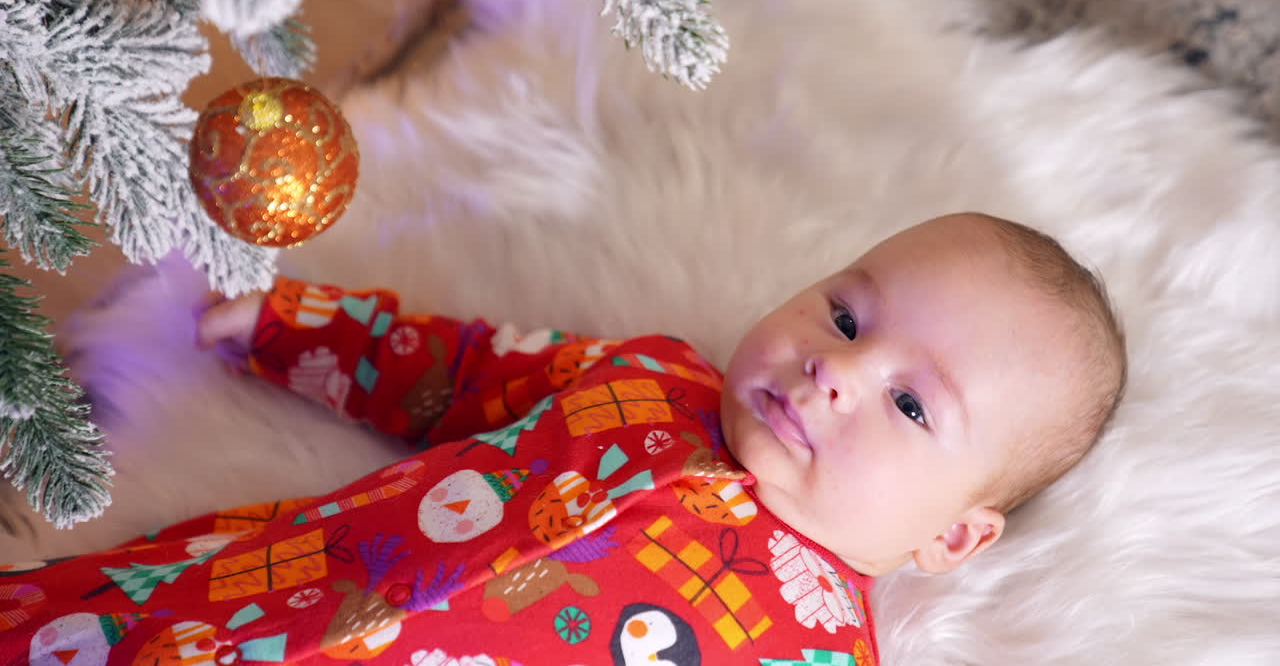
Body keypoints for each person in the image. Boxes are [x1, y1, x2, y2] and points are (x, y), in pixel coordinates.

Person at [1, 212, 1126, 666]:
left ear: (952, 538)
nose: (835, 372)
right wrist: (302, 328)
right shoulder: (645, 378)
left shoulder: (818, 649)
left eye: (911, 406)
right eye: (842, 314)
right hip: (239, 604)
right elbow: (459, 371)